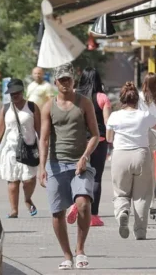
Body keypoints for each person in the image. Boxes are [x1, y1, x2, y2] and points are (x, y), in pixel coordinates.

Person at [39, 63, 99, 270]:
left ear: (74, 80)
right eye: (61, 80)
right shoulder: (48, 106)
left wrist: (84, 157)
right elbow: (44, 139)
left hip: (79, 163)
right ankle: (66, 255)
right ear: (55, 82)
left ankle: (80, 249)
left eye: (68, 79)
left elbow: (95, 135)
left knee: (83, 204)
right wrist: (41, 167)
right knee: (57, 212)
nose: (65, 83)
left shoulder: (84, 103)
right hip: (55, 164)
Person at [106, 82, 156, 240]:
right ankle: (140, 232)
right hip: (141, 155)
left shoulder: (114, 116)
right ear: (137, 100)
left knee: (121, 192)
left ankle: (123, 211)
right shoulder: (143, 115)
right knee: (142, 196)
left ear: (122, 100)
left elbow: (109, 138)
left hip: (120, 157)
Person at [0, 78, 40, 218]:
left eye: (16, 93)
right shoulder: (5, 109)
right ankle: (14, 210)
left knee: (29, 180)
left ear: (22, 92)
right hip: (10, 149)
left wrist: (45, 147)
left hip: (28, 148)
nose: (14, 96)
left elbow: (40, 129)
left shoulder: (32, 107)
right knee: (12, 180)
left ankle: (27, 199)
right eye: (11, 94)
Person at [67, 67, 112, 227]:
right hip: (98, 140)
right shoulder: (102, 97)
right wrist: (111, 138)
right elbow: (107, 122)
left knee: (78, 173)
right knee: (97, 177)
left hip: (78, 140)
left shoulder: (74, 95)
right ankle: (93, 215)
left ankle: (75, 203)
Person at [138, 72, 156, 206]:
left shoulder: (140, 96)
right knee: (153, 168)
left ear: (145, 82)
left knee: (143, 167)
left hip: (144, 133)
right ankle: (151, 199)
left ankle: (142, 197)